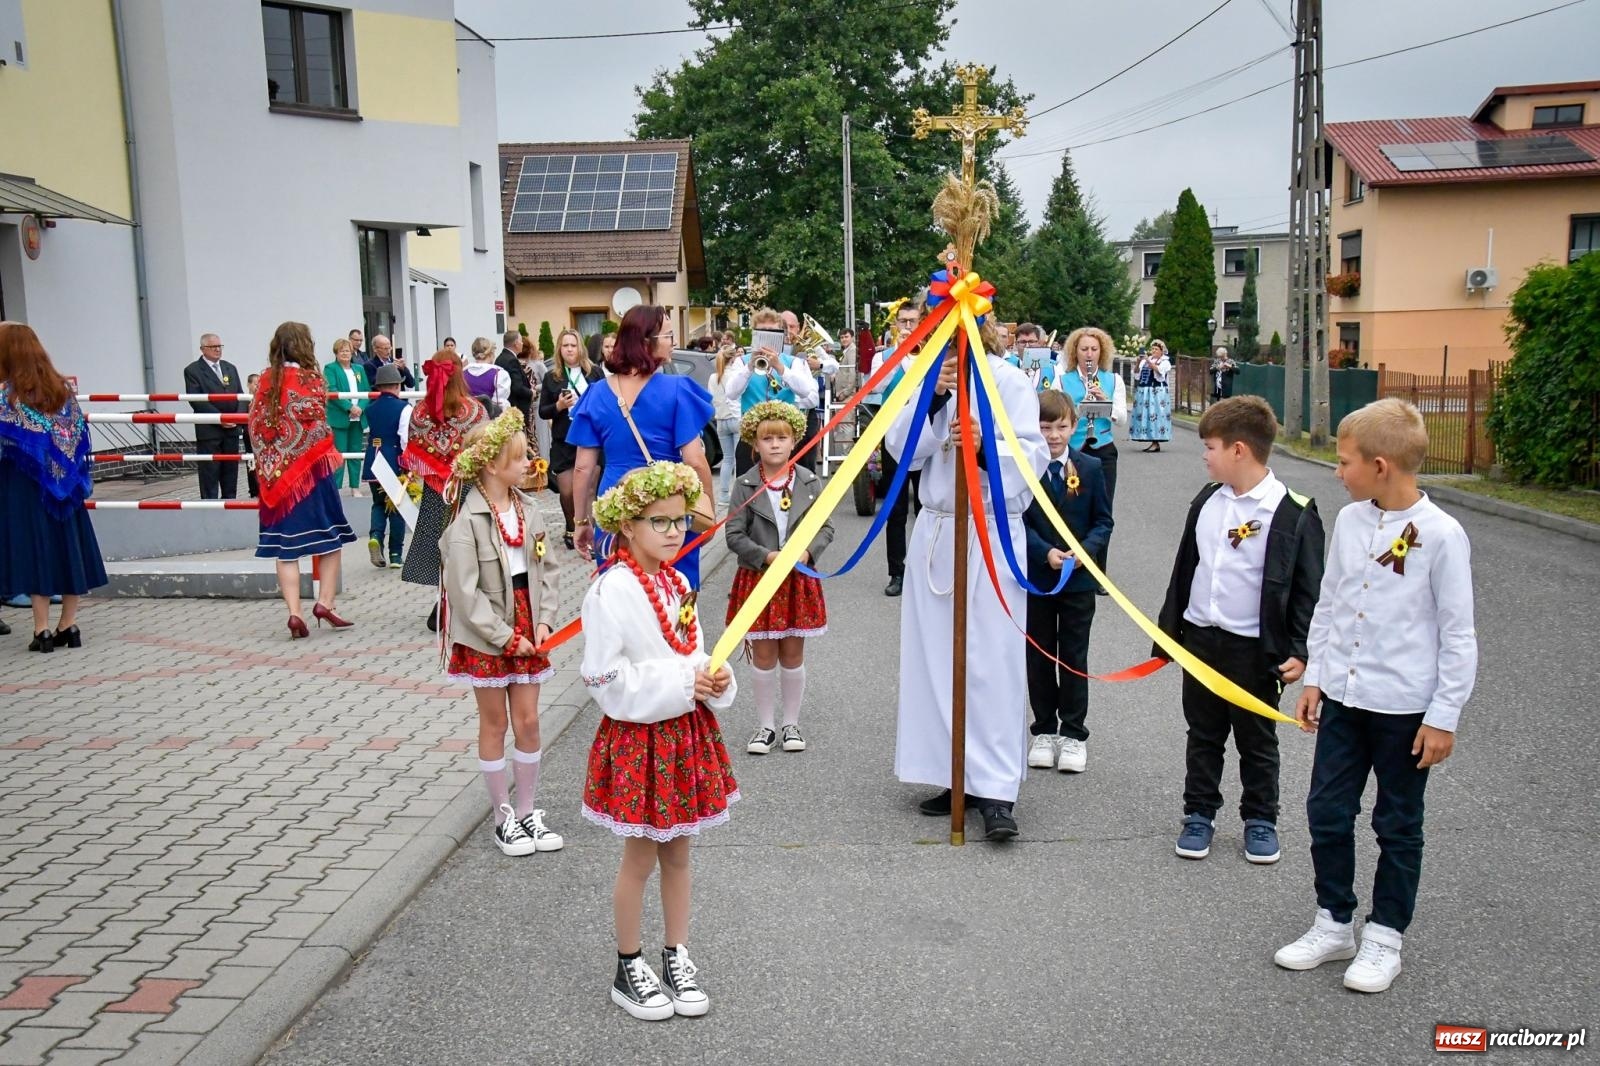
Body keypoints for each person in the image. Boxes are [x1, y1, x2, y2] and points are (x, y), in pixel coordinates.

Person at [1275, 398, 1476, 994]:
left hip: (1406, 710)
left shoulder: (1442, 535)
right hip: (1343, 697)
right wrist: (1315, 677)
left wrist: (1443, 718)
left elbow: (1458, 634)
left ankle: (1385, 935)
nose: (1338, 472)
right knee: (1326, 811)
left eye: (1344, 462)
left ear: (1381, 465)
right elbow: (1331, 603)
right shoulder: (1354, 521)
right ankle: (1333, 922)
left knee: (1397, 822)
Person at [578, 462, 738, 1021]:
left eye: (680, 521)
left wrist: (712, 676)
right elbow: (601, 678)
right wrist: (678, 682)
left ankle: (677, 952)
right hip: (640, 739)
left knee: (680, 853)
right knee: (639, 857)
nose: (674, 532)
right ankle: (628, 964)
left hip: (684, 734)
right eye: (659, 521)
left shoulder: (677, 581)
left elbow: (691, 647)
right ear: (627, 525)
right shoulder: (610, 591)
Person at [885, 322, 1048, 841]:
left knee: (991, 660)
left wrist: (983, 446)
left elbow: (1034, 455)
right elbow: (898, 449)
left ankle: (996, 787)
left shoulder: (1008, 380)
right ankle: (952, 774)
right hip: (937, 532)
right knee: (938, 659)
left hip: (990, 532)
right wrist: (933, 403)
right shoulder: (925, 378)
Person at [1154, 396, 1325, 864]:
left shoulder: (1292, 511)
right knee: (1202, 732)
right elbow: (1185, 569)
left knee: (1256, 737)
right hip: (1201, 640)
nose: (1203, 455)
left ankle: (1260, 819)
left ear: (1239, 450)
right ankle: (1198, 813)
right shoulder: (1208, 500)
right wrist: (1170, 633)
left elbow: (1309, 590)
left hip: (1254, 649)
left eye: (1209, 446)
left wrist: (1301, 649)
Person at [440, 409, 564, 858]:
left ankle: (529, 810)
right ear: (491, 465)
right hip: (487, 632)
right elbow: (464, 594)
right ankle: (502, 816)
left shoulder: (530, 510)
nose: (530, 462)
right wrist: (505, 637)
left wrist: (546, 619)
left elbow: (548, 569)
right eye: (519, 457)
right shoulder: (466, 521)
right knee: (494, 722)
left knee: (529, 720)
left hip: (529, 621)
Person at [569, 304, 715, 588]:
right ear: (647, 342)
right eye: (669, 336)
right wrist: (707, 507)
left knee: (619, 592)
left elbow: (582, 468)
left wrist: (581, 521)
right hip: (667, 503)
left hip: (616, 502)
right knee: (674, 593)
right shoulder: (677, 389)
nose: (673, 342)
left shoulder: (596, 393)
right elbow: (695, 461)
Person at [723, 401, 833, 756]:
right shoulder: (744, 485)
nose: (774, 444)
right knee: (764, 654)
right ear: (755, 444)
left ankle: (791, 723)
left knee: (792, 653)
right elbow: (734, 534)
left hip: (798, 580)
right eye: (767, 438)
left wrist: (806, 553)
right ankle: (765, 726)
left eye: (782, 438)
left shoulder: (810, 482)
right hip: (759, 578)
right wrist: (766, 556)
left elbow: (825, 527)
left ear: (794, 441)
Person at [0, 322, 108, 651]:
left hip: (23, 487)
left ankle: (42, 629)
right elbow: (74, 437)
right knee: (68, 548)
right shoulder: (62, 390)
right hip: (67, 487)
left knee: (37, 550)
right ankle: (69, 626)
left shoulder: (7, 396)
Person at [1023, 391, 1113, 774]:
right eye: (1045, 427)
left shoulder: (1090, 468)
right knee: (1040, 654)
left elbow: (1103, 521)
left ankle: (1074, 733)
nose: (1053, 435)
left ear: (1074, 426)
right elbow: (1017, 521)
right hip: (1039, 577)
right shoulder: (1024, 468)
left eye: (1061, 426)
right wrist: (1045, 552)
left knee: (1074, 654)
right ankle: (1043, 729)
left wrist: (1083, 553)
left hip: (1076, 581)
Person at [250, 322, 357, 637]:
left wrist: (271, 463)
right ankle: (325, 602)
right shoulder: (312, 380)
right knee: (331, 540)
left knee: (286, 550)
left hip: (276, 478)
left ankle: (295, 613)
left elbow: (255, 426)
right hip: (311, 476)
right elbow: (319, 426)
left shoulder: (265, 381)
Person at [401, 350, 489, 628]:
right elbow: (485, 449)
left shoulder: (419, 412)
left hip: (435, 489)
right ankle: (456, 602)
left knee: (441, 544)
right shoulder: (475, 410)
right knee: (469, 544)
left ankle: (445, 598)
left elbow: (413, 447)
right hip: (467, 487)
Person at [1056, 327, 1127, 592]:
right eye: (1084, 349)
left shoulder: (1113, 380)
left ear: (1102, 352)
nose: (1089, 354)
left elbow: (1121, 418)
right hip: (1074, 450)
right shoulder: (1063, 380)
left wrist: (1104, 402)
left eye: (1094, 349)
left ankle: (1099, 571)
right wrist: (1076, 408)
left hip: (1103, 450)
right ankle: (1070, 562)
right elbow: (1054, 410)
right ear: (1075, 352)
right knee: (1071, 505)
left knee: (1102, 510)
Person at [720, 307, 818, 475]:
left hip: (783, 438)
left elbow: (805, 392)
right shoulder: (742, 362)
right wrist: (750, 366)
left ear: (781, 335)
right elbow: (731, 393)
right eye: (762, 332)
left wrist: (781, 368)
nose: (767, 337)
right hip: (752, 440)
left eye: (772, 332)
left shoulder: (794, 363)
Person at [871, 300, 924, 598]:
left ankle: (926, 567)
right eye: (903, 321)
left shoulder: (933, 354)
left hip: (926, 439)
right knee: (895, 508)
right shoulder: (884, 357)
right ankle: (897, 571)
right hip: (895, 440)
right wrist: (900, 355)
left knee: (926, 506)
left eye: (913, 321)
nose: (907, 327)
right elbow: (877, 386)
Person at [541, 327, 606, 550]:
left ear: (581, 347)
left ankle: (590, 530)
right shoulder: (552, 377)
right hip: (564, 439)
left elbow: (605, 403)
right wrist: (559, 406)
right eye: (565, 345)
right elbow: (543, 411)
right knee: (567, 490)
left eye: (573, 345)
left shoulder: (594, 373)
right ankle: (572, 525)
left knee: (589, 489)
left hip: (590, 439)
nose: (569, 349)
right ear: (559, 349)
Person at [361, 365, 411, 569]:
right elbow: (405, 438)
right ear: (397, 385)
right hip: (393, 458)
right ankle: (396, 554)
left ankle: (375, 537)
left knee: (378, 503)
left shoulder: (370, 408)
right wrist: (408, 463)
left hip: (374, 458)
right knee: (396, 506)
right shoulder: (404, 408)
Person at [183, 332, 243, 499]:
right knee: (210, 473)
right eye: (213, 347)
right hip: (210, 431)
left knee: (230, 472)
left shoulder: (230, 367)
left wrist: (237, 417)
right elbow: (196, 401)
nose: (217, 350)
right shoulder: (193, 370)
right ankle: (210, 508)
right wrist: (219, 418)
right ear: (203, 349)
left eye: (219, 346)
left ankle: (230, 504)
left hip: (231, 430)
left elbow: (240, 395)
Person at [782, 309, 837, 473]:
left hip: (807, 409)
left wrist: (819, 365)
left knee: (807, 456)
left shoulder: (809, 345)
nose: (789, 331)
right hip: (784, 407)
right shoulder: (774, 346)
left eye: (792, 327)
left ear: (799, 327)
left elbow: (834, 366)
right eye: (785, 327)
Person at [323, 336, 370, 492]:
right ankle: (335, 489)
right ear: (336, 353)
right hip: (341, 416)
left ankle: (355, 487)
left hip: (358, 416)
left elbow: (366, 391)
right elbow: (332, 390)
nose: (345, 354)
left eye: (347, 351)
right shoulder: (331, 369)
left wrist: (360, 408)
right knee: (339, 454)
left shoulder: (359, 369)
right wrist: (350, 407)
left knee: (356, 453)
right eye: (342, 351)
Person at [706, 342, 742, 507]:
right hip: (736, 418)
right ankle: (737, 494)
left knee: (727, 460)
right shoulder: (735, 375)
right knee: (738, 458)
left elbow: (711, 398)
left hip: (721, 420)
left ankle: (723, 496)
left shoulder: (714, 377)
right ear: (733, 358)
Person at [1131, 339, 1174, 452]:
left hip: (1156, 392)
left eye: (1156, 349)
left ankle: (1156, 442)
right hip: (1144, 391)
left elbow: (1160, 371)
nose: (1153, 351)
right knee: (1146, 416)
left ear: (1162, 351)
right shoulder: (1146, 360)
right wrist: (1137, 362)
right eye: (1153, 349)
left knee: (1155, 415)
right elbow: (1136, 375)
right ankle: (1151, 440)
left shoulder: (1165, 361)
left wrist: (1148, 362)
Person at [463, 336, 510, 417]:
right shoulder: (499, 374)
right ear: (491, 353)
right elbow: (500, 405)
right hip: (489, 423)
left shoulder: (462, 373)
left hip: (467, 420)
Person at [496, 329, 535, 425]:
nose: (522, 343)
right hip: (515, 409)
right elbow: (517, 387)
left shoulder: (500, 358)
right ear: (516, 343)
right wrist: (531, 392)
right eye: (521, 341)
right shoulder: (511, 360)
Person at [244, 373, 261, 499]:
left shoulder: (264, 400)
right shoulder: (244, 400)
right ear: (249, 385)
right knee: (251, 461)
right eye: (255, 384)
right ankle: (253, 490)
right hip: (249, 435)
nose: (258, 387)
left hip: (262, 436)